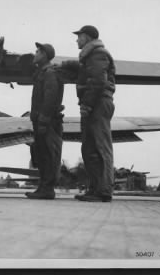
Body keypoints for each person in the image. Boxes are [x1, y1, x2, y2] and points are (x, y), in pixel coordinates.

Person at [58, 25, 116, 202]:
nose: (77, 39)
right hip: (93, 104)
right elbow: (88, 70)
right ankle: (95, 188)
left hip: (97, 103)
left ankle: (104, 191)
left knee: (100, 148)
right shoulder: (90, 57)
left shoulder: (98, 54)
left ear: (88, 38)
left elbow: (98, 80)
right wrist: (68, 64)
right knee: (89, 148)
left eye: (80, 36)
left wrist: (88, 105)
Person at [25, 43, 64, 200]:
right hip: (42, 121)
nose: (35, 54)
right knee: (41, 154)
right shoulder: (43, 72)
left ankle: (47, 189)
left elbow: (50, 98)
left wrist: (43, 121)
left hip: (47, 122)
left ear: (44, 55)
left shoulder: (49, 73)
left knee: (48, 154)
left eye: (38, 52)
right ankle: (43, 187)